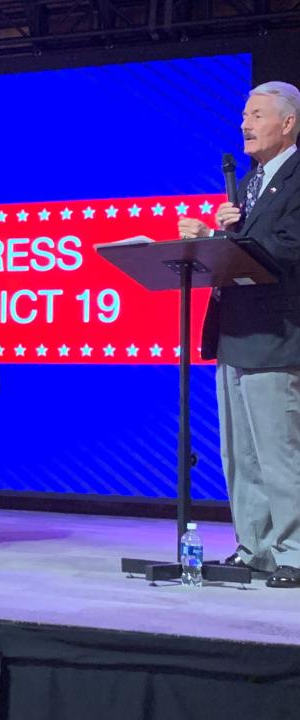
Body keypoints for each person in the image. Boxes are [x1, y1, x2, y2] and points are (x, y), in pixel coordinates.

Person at [178, 81, 300, 588]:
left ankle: (294, 551)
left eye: (256, 114)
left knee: (278, 451)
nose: (244, 123)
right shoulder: (250, 182)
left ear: (288, 122)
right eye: (243, 114)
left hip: (276, 333)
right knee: (239, 452)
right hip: (234, 332)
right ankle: (256, 547)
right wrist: (217, 239)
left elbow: (289, 247)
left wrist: (234, 235)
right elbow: (247, 249)